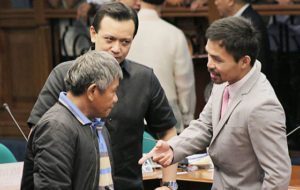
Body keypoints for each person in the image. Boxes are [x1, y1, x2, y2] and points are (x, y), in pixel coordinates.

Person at [27, 2, 178, 190]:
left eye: (125, 42)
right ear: (93, 33)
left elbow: (167, 131)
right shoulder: (65, 74)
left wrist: (169, 184)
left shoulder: (144, 79)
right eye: (109, 39)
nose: (116, 48)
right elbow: (40, 133)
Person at [139, 16, 291, 189]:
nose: (209, 65)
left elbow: (278, 175)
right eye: (209, 55)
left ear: (244, 61)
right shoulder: (224, 80)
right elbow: (205, 126)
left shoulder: (263, 106)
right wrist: (173, 148)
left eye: (218, 60)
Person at [21, 50, 123, 190]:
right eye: (113, 91)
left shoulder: (97, 124)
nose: (116, 99)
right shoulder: (56, 128)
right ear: (92, 91)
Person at [127, 0, 196, 133]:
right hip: (166, 112)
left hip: (128, 109)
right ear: (164, 3)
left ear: (138, 1)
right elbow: (185, 84)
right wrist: (187, 116)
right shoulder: (175, 34)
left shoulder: (126, 30)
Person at [214, 0, 271, 77]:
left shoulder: (249, 24)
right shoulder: (244, 19)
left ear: (230, 1)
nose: (216, 2)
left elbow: (254, 65)